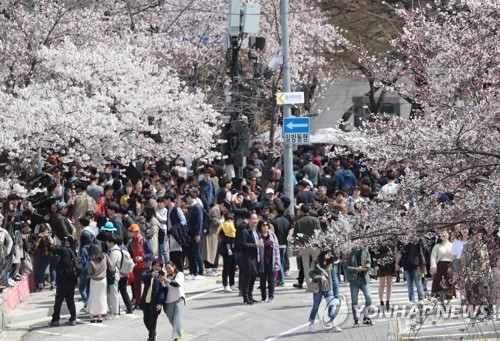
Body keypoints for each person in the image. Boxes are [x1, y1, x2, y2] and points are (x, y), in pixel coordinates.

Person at [459, 227, 492, 318]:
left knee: (483, 293)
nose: (479, 237)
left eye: (480, 236)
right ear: (472, 236)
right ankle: (473, 312)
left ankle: (486, 312)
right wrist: (464, 272)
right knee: (471, 294)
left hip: (481, 273)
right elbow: (463, 260)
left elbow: (487, 261)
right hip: (470, 274)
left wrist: (489, 273)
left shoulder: (483, 246)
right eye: (477, 235)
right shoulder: (466, 246)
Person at [307, 251, 342, 333]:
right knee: (316, 306)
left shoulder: (331, 262)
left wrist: (335, 251)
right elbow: (311, 273)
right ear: (323, 253)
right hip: (318, 287)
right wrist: (320, 277)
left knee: (331, 306)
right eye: (328, 253)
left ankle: (334, 325)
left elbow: (337, 259)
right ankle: (311, 323)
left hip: (328, 287)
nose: (329, 255)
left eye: (330, 254)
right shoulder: (316, 261)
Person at [48, 235, 79, 327]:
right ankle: (73, 319)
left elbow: (53, 250)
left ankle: (55, 320)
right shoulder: (74, 251)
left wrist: (51, 243)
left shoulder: (65, 250)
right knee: (70, 300)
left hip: (64, 279)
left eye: (65, 240)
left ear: (68, 241)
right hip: (72, 279)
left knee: (58, 301)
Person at [345, 237, 375, 327]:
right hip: (354, 279)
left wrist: (366, 266)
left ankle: (366, 317)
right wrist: (355, 269)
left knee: (369, 297)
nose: (358, 241)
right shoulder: (349, 252)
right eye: (356, 239)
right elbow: (346, 267)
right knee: (354, 300)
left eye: (360, 239)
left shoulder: (365, 250)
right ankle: (356, 319)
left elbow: (369, 261)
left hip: (364, 278)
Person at [128, 223, 154, 309]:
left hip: (144, 267)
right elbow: (129, 254)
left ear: (137, 232)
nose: (129, 233)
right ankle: (138, 303)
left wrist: (142, 258)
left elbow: (151, 254)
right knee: (137, 286)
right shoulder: (131, 242)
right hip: (135, 267)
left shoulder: (145, 241)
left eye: (131, 231)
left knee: (147, 285)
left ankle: (146, 301)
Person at [140, 258, 166, 341]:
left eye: (159, 266)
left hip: (155, 302)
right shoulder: (148, 273)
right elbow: (142, 277)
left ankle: (151, 338)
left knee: (152, 322)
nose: (157, 267)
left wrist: (160, 303)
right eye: (155, 266)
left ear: (161, 267)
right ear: (152, 266)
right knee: (146, 320)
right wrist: (152, 274)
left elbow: (162, 291)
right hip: (146, 301)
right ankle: (153, 333)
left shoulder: (162, 276)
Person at [240, 213, 262, 304]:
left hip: (256, 257)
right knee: (247, 277)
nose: (255, 221)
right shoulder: (245, 231)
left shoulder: (256, 231)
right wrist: (255, 245)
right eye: (253, 219)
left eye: (256, 219)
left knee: (253, 277)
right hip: (248, 257)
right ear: (248, 220)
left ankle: (250, 295)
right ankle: (245, 297)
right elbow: (242, 244)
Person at [161, 261, 185, 341]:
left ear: (174, 267)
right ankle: (179, 331)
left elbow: (176, 284)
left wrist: (166, 280)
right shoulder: (166, 276)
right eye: (167, 268)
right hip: (169, 300)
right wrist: (162, 282)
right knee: (172, 319)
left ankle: (177, 337)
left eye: (169, 268)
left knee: (177, 318)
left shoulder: (179, 274)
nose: (168, 270)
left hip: (179, 298)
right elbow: (166, 289)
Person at [257, 220, 280, 303]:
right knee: (262, 280)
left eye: (267, 225)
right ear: (260, 226)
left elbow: (277, 248)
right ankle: (263, 297)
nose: (266, 226)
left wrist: (277, 260)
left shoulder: (272, 236)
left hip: (271, 261)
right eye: (263, 225)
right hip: (261, 261)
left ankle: (271, 296)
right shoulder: (258, 236)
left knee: (271, 279)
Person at [430, 230, 455, 302]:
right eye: (442, 234)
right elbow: (433, 257)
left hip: (450, 266)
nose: (443, 235)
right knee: (439, 283)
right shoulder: (437, 246)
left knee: (449, 283)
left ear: (448, 235)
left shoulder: (452, 245)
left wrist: (453, 267)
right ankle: (441, 299)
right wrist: (433, 266)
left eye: (445, 233)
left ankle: (448, 300)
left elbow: (455, 257)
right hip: (440, 266)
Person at [185, 191, 204, 279]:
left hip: (196, 233)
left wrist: (198, 234)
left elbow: (200, 221)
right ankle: (193, 272)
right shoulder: (192, 207)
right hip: (191, 232)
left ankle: (201, 273)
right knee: (191, 253)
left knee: (196, 253)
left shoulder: (197, 207)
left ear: (189, 197)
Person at [87, 243, 108, 323]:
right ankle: (100, 317)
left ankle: (91, 317)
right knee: (102, 297)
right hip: (103, 280)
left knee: (92, 297)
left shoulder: (91, 260)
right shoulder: (105, 256)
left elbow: (89, 271)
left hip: (94, 280)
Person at [217, 212, 236, 292]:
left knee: (233, 267)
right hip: (226, 249)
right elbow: (223, 238)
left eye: (231, 219)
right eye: (229, 219)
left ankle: (232, 284)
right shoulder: (222, 226)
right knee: (226, 267)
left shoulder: (233, 227)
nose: (230, 221)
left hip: (233, 248)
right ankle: (225, 284)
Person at [106, 233, 122, 319]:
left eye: (108, 242)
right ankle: (113, 312)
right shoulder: (114, 250)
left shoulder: (114, 252)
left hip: (113, 274)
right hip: (115, 274)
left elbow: (111, 265)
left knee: (113, 293)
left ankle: (115, 313)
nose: (106, 243)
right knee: (113, 293)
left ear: (112, 242)